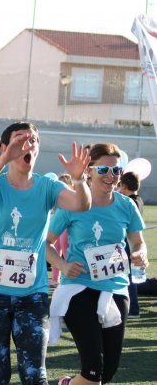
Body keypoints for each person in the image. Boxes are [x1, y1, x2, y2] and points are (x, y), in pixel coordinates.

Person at [0, 122, 91, 384]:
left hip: (32, 295)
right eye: (20, 138)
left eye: (33, 139)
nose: (28, 143)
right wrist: (4, 158)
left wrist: (80, 180)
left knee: (35, 375)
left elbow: (81, 204)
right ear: (6, 146)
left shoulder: (47, 186)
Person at [47, 143, 148, 385]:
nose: (111, 176)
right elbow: (45, 244)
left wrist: (140, 254)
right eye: (104, 170)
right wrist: (61, 264)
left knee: (108, 372)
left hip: (115, 289)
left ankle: (67, 384)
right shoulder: (72, 203)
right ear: (90, 170)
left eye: (116, 170)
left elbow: (138, 243)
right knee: (94, 369)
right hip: (78, 288)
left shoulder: (127, 205)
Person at [118, 171, 144, 318]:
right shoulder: (138, 199)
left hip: (128, 243)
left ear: (124, 185)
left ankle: (133, 308)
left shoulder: (130, 202)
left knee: (128, 277)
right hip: (132, 243)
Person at [50, 173, 74, 287]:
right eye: (61, 183)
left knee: (66, 252)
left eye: (66, 183)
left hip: (66, 229)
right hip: (56, 229)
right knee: (55, 252)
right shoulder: (57, 198)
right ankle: (55, 279)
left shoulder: (73, 198)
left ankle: (68, 277)